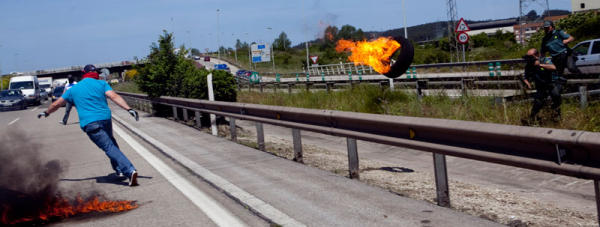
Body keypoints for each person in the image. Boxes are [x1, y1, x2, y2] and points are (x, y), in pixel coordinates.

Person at [37, 64, 141, 186]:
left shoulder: (73, 89)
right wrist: (129, 109)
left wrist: (46, 112)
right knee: (112, 143)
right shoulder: (101, 84)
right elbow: (114, 96)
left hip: (90, 123)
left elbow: (56, 104)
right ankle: (119, 169)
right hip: (105, 119)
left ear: (83, 74)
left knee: (109, 147)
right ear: (95, 73)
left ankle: (129, 170)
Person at [522, 48, 564, 125]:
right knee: (538, 102)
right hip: (540, 86)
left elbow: (553, 67)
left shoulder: (544, 60)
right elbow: (525, 76)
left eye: (531, 57)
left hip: (551, 84)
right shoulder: (529, 65)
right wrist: (527, 83)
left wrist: (540, 65)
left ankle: (557, 117)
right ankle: (532, 119)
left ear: (537, 55)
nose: (529, 59)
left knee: (556, 97)